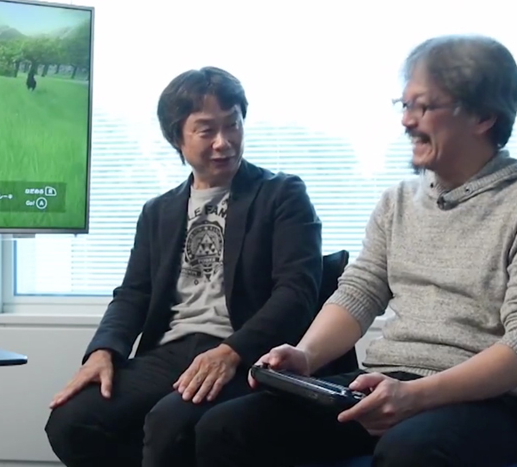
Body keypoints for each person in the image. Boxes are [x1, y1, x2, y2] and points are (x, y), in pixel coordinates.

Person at [194, 35, 517, 467]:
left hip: (496, 403)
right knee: (226, 428)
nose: (407, 121)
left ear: (484, 116)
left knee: (408, 451)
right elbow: (359, 293)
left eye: (424, 107)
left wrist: (417, 396)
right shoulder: (398, 201)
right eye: (405, 105)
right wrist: (306, 355)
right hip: (390, 381)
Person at [44, 66, 324, 467]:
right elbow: (133, 294)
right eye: (206, 130)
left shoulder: (281, 195)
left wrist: (231, 351)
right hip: (170, 351)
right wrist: (103, 351)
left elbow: (296, 292)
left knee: (169, 424)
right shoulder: (158, 212)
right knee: (71, 422)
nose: (224, 142)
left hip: (246, 351)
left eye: (233, 124)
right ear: (177, 137)